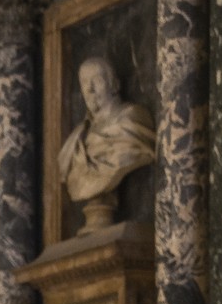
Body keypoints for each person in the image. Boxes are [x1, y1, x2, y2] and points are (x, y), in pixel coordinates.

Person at [58, 56, 155, 234]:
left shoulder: (133, 118)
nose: (90, 89)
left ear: (114, 84)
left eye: (96, 80)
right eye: (84, 82)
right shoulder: (77, 139)